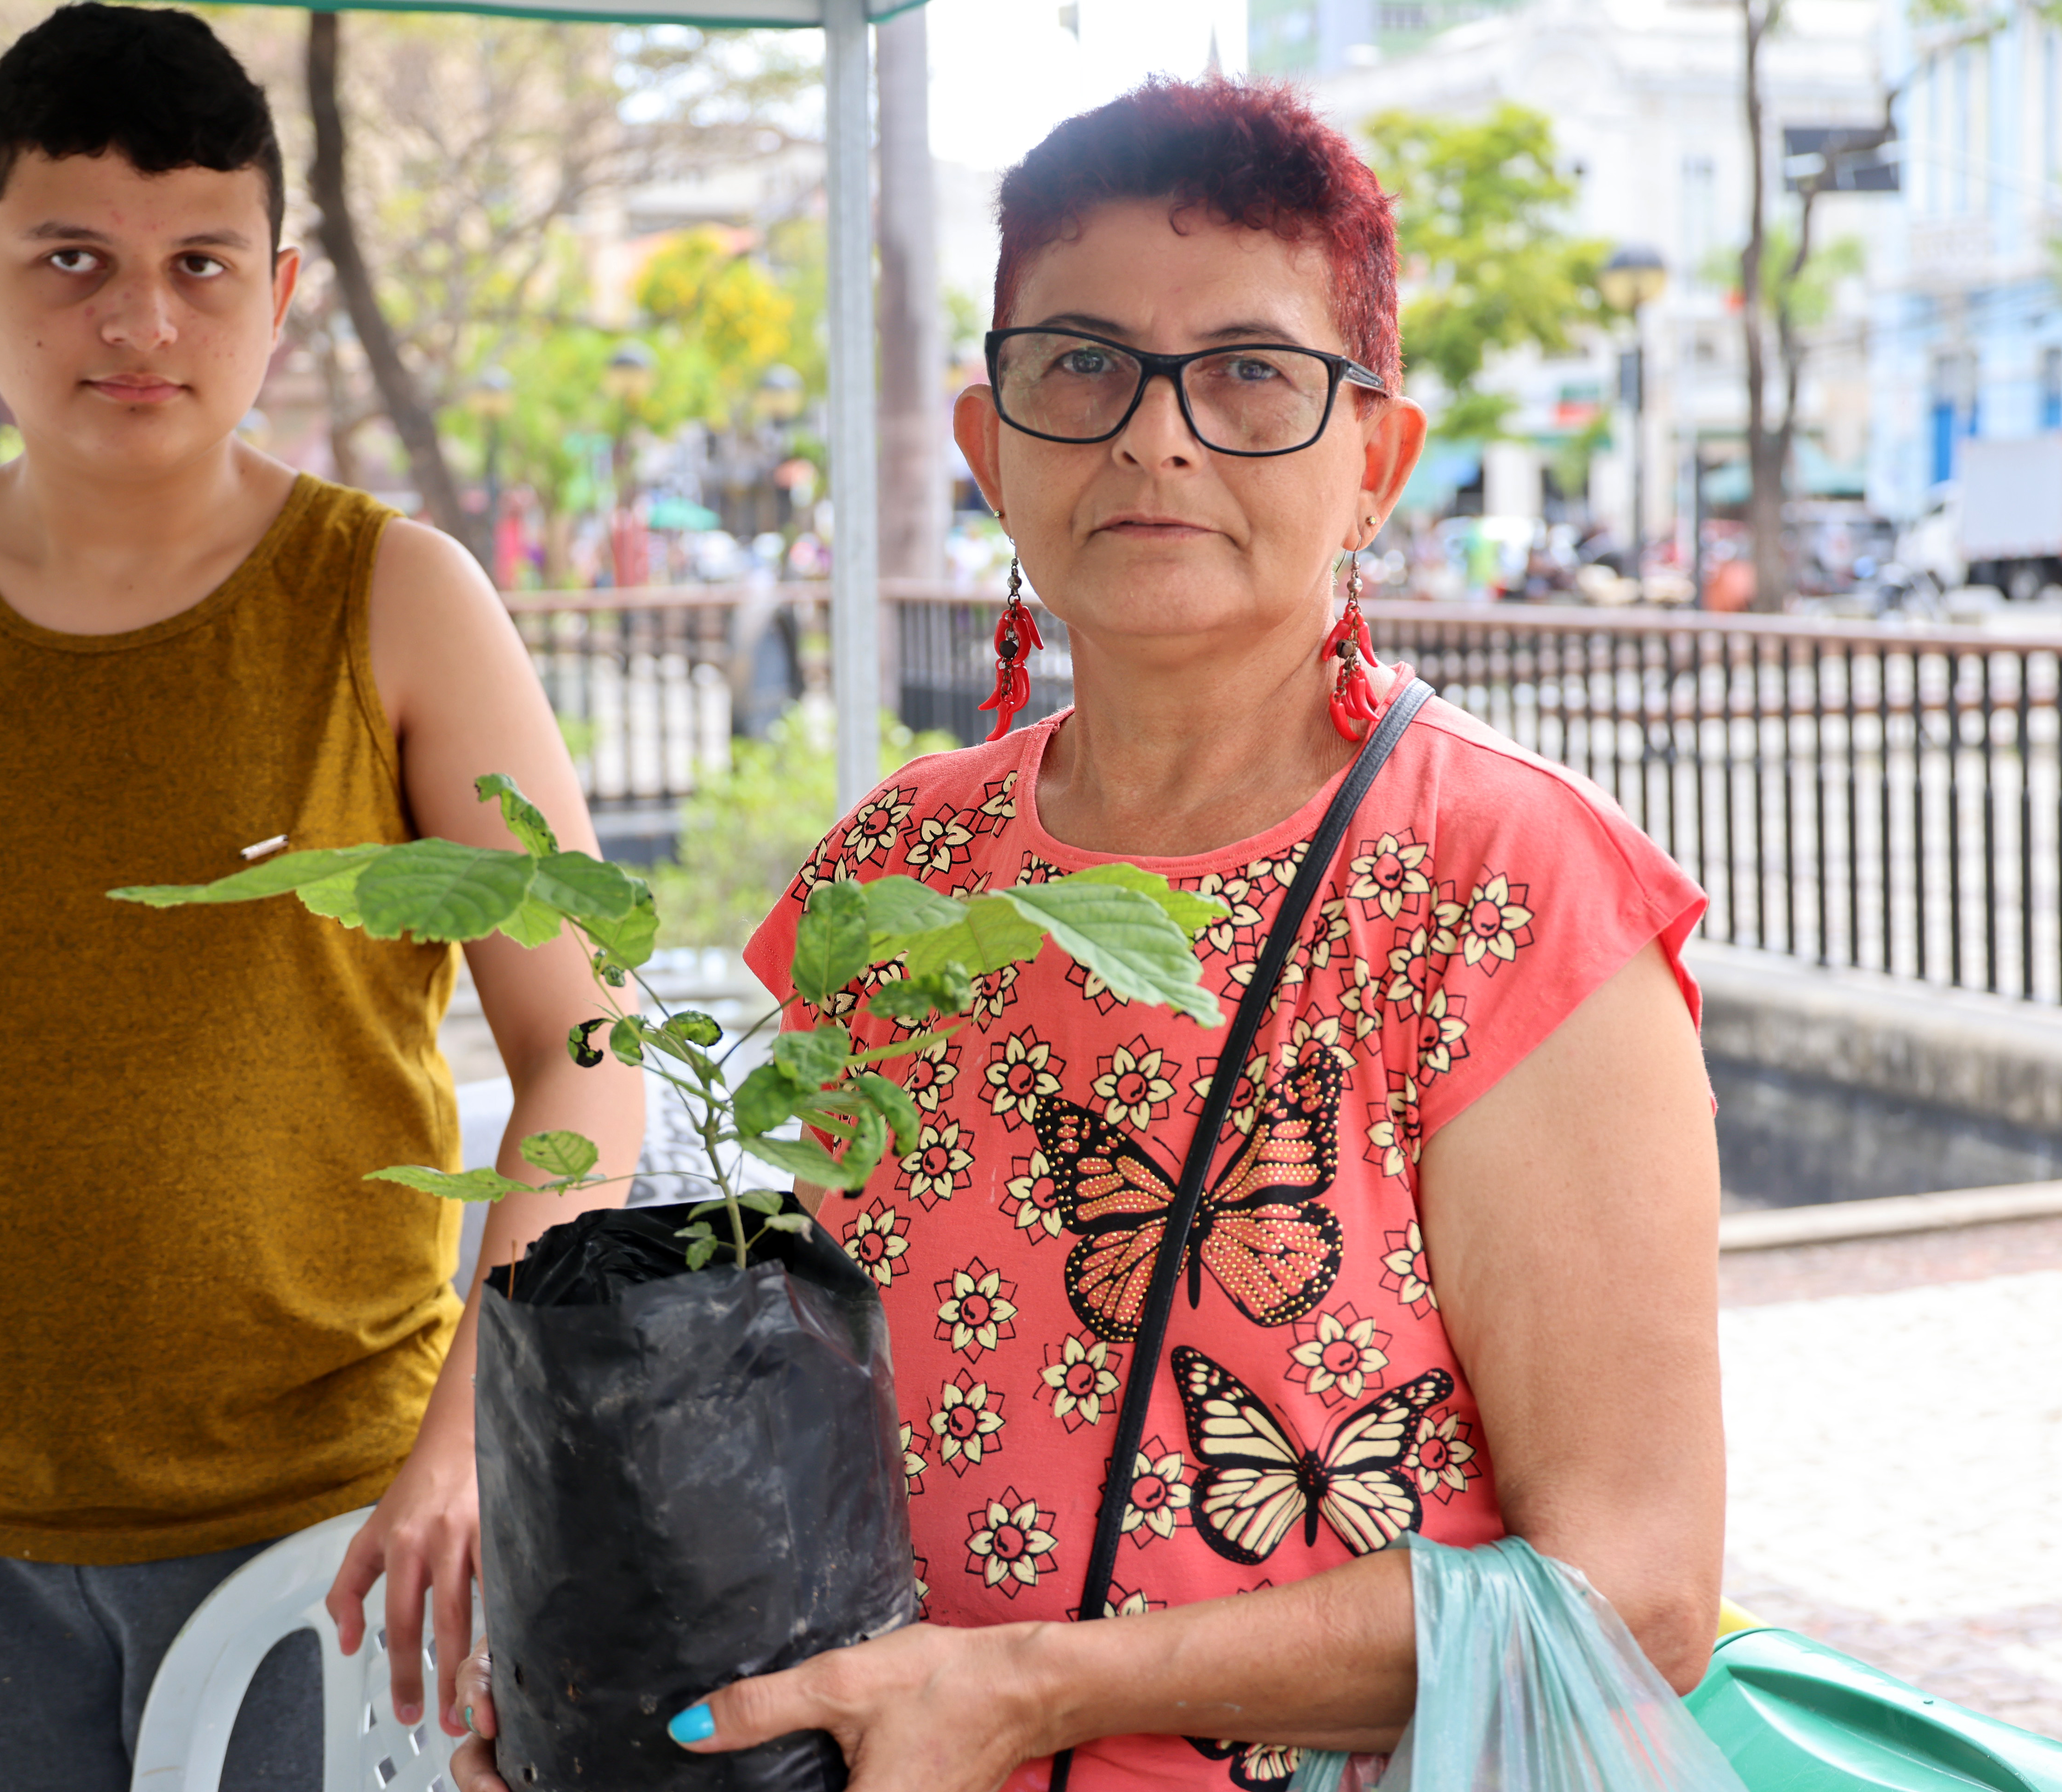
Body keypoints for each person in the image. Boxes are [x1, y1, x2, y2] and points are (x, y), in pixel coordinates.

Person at [452, 75, 1721, 1792]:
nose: (1157, 436)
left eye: (1253, 374)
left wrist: (1034, 1690)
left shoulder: (1504, 886)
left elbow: (1636, 1596)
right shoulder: (893, 871)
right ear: (990, 446)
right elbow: (801, 1430)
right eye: (1083, 365)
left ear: (1378, 462)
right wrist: (626, 1683)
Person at [0, 7, 641, 1785]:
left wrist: (471, 1447)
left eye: (200, 265)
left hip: (324, 1528)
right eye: (73, 259)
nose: (141, 321)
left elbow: (587, 1046)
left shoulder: (394, 597)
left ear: (282, 285)